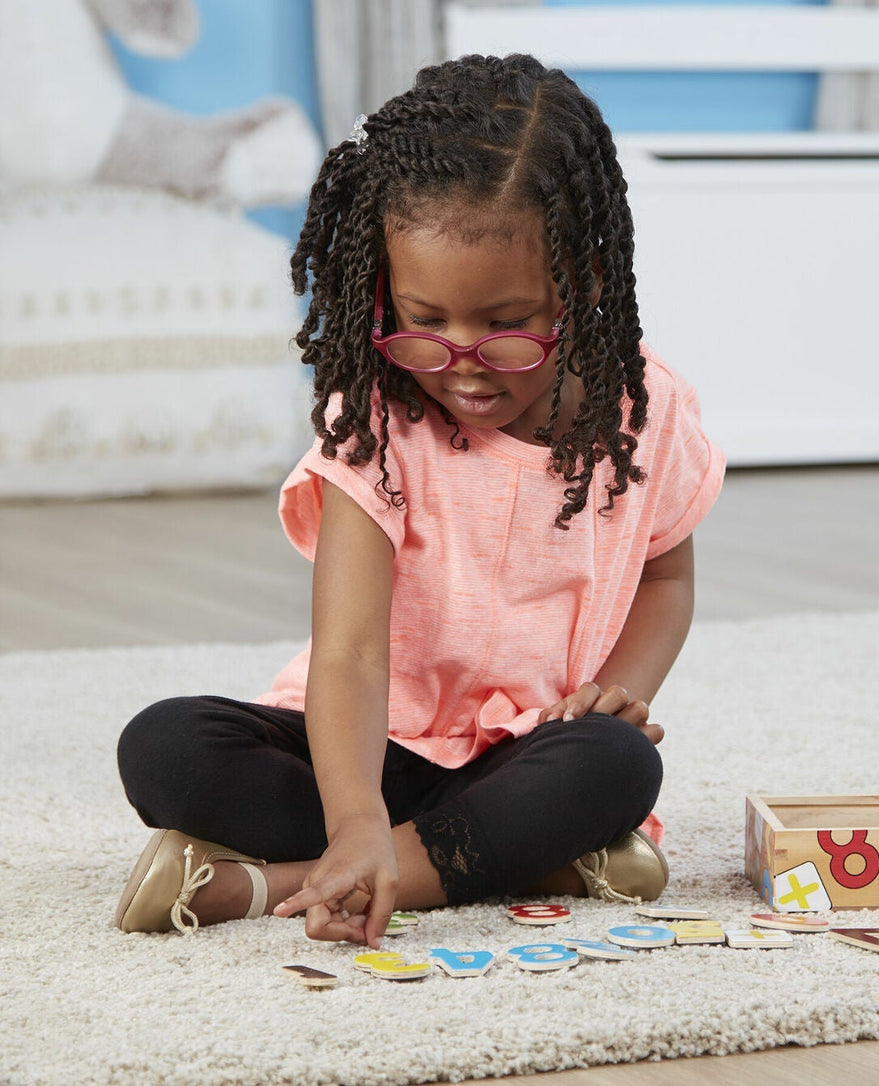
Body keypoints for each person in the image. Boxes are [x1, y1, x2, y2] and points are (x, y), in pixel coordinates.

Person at [113, 54, 725, 950]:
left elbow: (667, 577)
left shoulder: (647, 411)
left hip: (523, 751)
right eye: (425, 323)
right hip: (367, 747)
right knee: (166, 747)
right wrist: (356, 816)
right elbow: (353, 651)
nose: (463, 361)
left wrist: (615, 694)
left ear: (584, 284)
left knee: (617, 765)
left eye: (506, 323)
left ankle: (265, 885)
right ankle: (503, 860)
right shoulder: (374, 417)